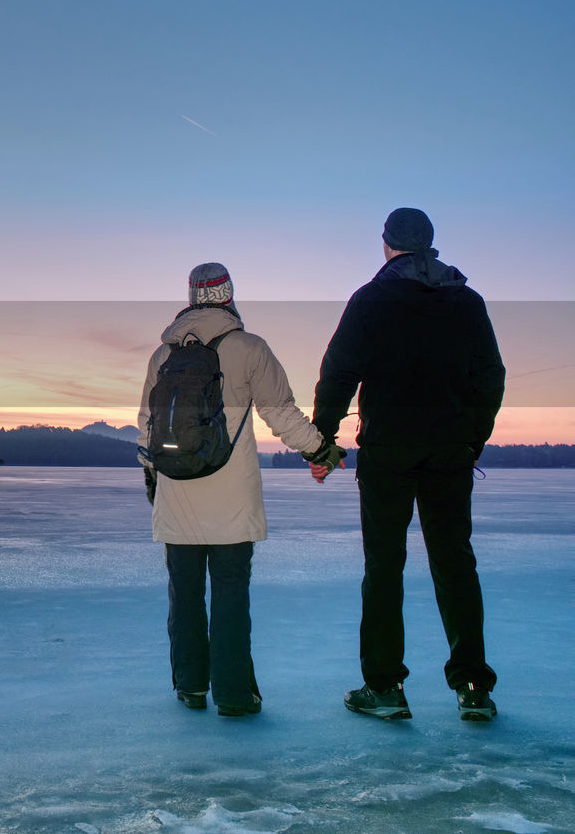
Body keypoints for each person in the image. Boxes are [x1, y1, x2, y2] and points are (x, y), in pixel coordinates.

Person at [310, 207, 506, 721]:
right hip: (448, 455)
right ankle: (473, 687)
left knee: (384, 568)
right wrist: (471, 440)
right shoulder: (466, 301)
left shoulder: (372, 300)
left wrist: (322, 441)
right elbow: (490, 376)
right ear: (430, 245)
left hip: (388, 454)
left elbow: (338, 372)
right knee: (455, 565)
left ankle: (385, 688)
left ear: (387, 244)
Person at [137, 263, 340, 716]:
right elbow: (281, 414)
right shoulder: (249, 348)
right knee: (230, 595)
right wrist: (320, 451)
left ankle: (190, 686)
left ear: (190, 296)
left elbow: (146, 427)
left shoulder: (162, 356)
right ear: (228, 296)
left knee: (184, 595)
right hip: (230, 500)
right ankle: (233, 694)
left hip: (176, 495)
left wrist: (152, 477)